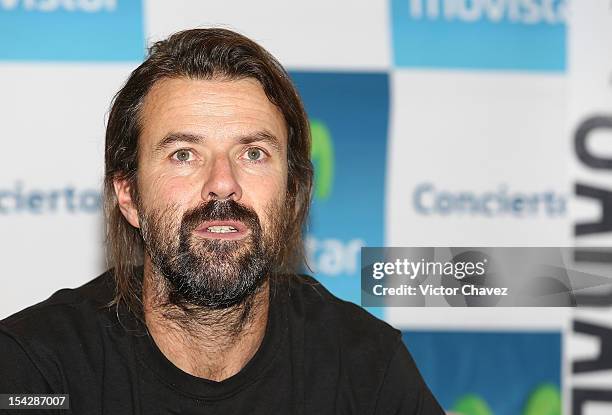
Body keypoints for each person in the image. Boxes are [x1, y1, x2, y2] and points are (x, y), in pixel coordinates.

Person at [0, 28, 444, 414]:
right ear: (129, 195)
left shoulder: (365, 366)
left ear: (291, 194)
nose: (222, 183)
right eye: (183, 155)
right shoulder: (36, 370)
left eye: (253, 153)